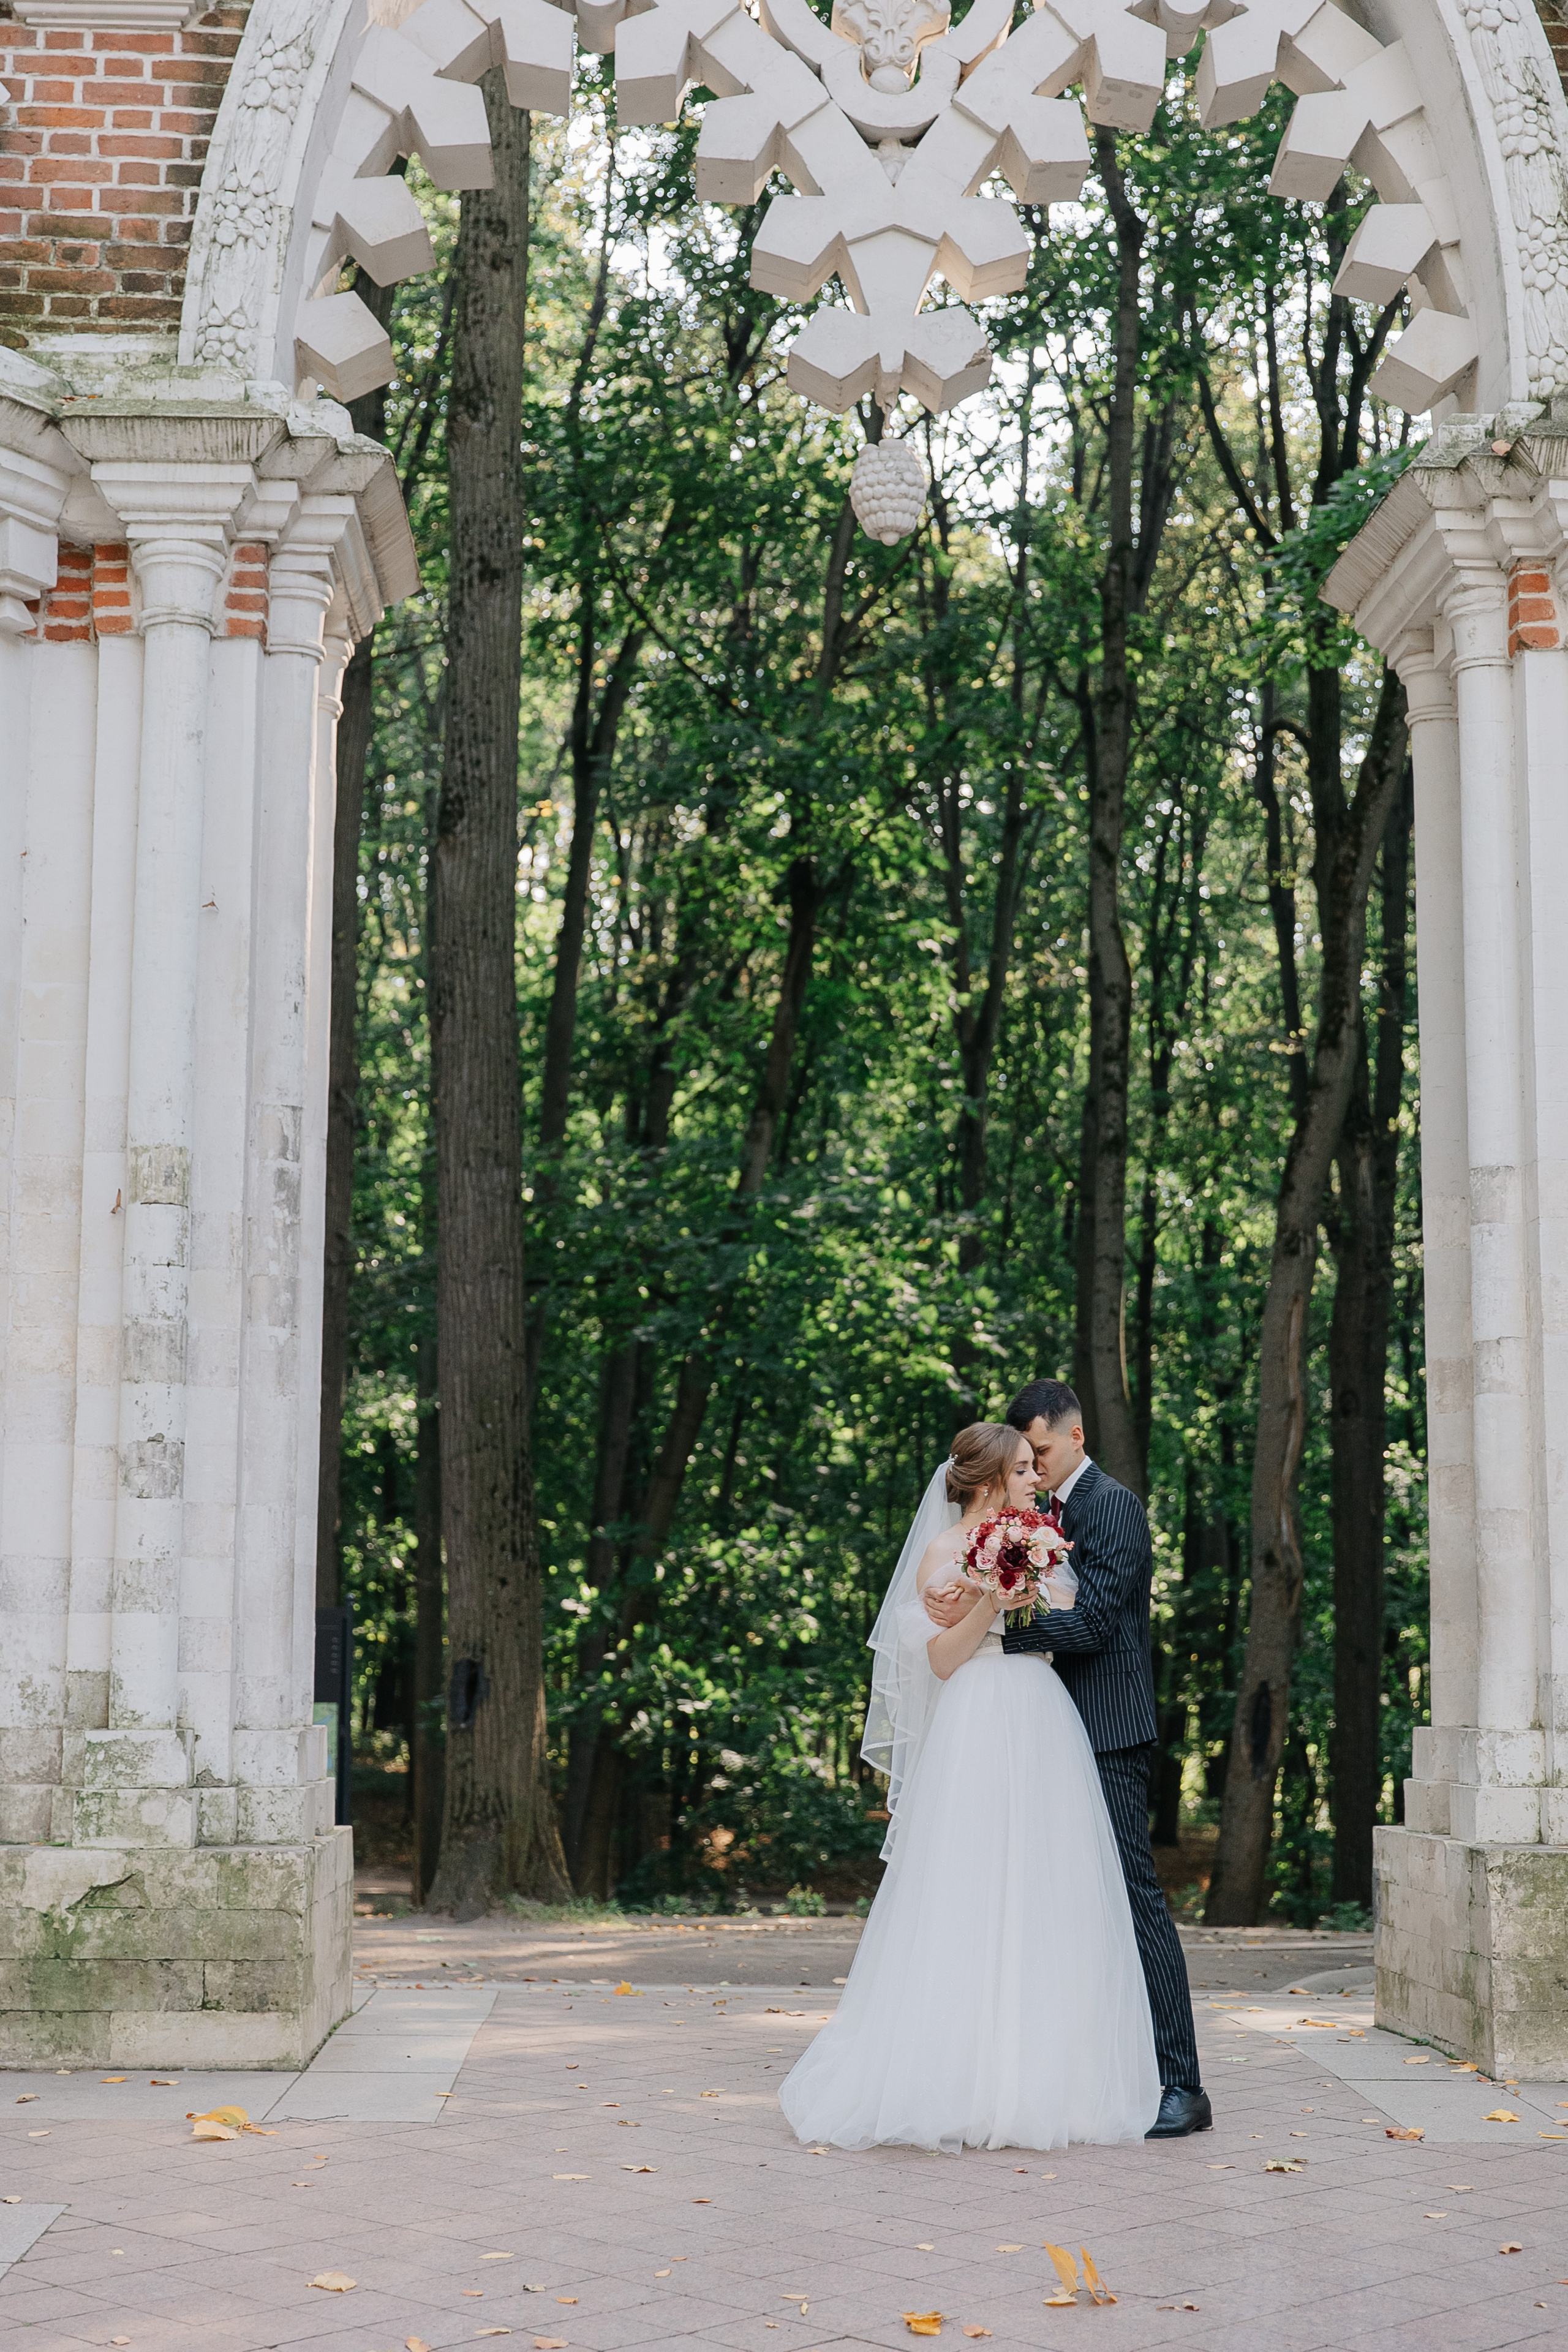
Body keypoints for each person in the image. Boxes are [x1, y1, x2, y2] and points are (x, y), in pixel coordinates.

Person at [777, 1422, 1161, 2154]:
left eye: (1032, 1467)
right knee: (969, 1887)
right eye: (1021, 1468)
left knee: (1047, 1890)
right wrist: (990, 1596)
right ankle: (957, 2076)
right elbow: (946, 1660)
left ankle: (1044, 2080)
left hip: (1042, 1718)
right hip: (976, 1722)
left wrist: (1023, 1586)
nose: (1033, 1479)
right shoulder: (943, 1554)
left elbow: (1060, 1635)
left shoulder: (1044, 1540)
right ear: (987, 1480)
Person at [932, 1378, 1210, 2139]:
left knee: (1131, 1895)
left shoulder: (1112, 1506)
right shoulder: (1025, 1514)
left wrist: (989, 1638)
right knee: (1055, 1906)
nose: (1038, 1466)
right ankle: (1076, 2069)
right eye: (1027, 1458)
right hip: (1038, 1733)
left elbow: (1091, 1620)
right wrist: (961, 1602)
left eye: (1044, 1452)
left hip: (1107, 1729)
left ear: (1075, 1438)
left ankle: (1181, 2083)